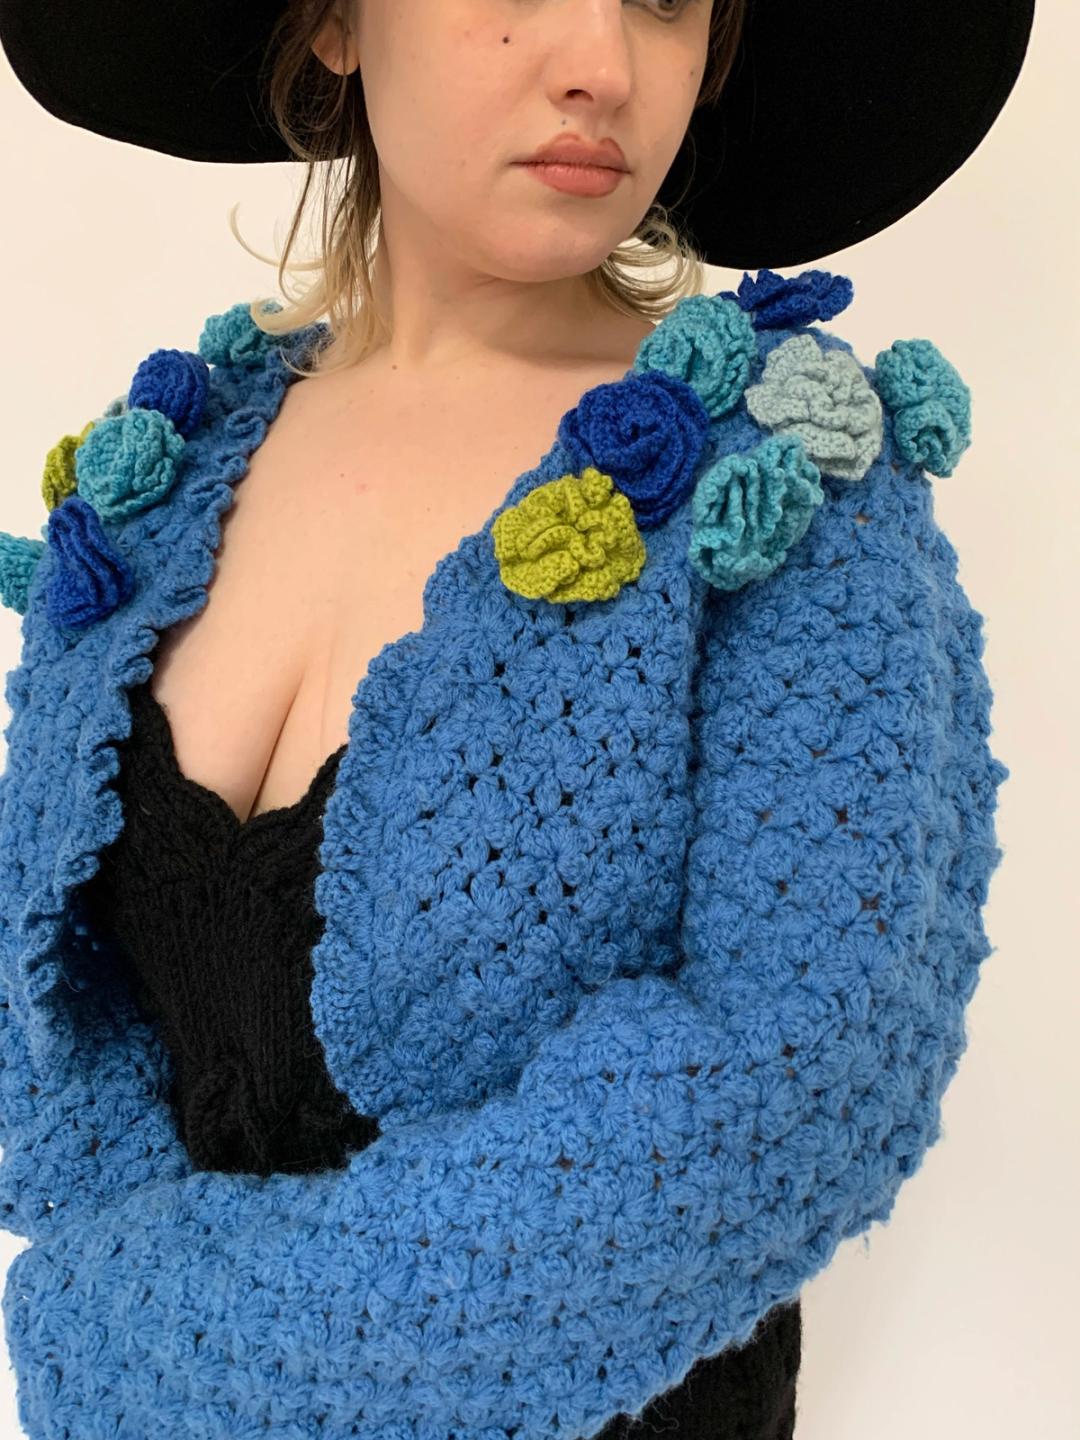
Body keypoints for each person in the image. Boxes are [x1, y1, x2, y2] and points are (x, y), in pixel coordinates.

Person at [0, 3, 1031, 1437]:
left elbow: (805, 1068)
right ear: (335, 25)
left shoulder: (784, 485)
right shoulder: (162, 472)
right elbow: (46, 1018)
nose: (602, 66)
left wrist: (155, 1351)